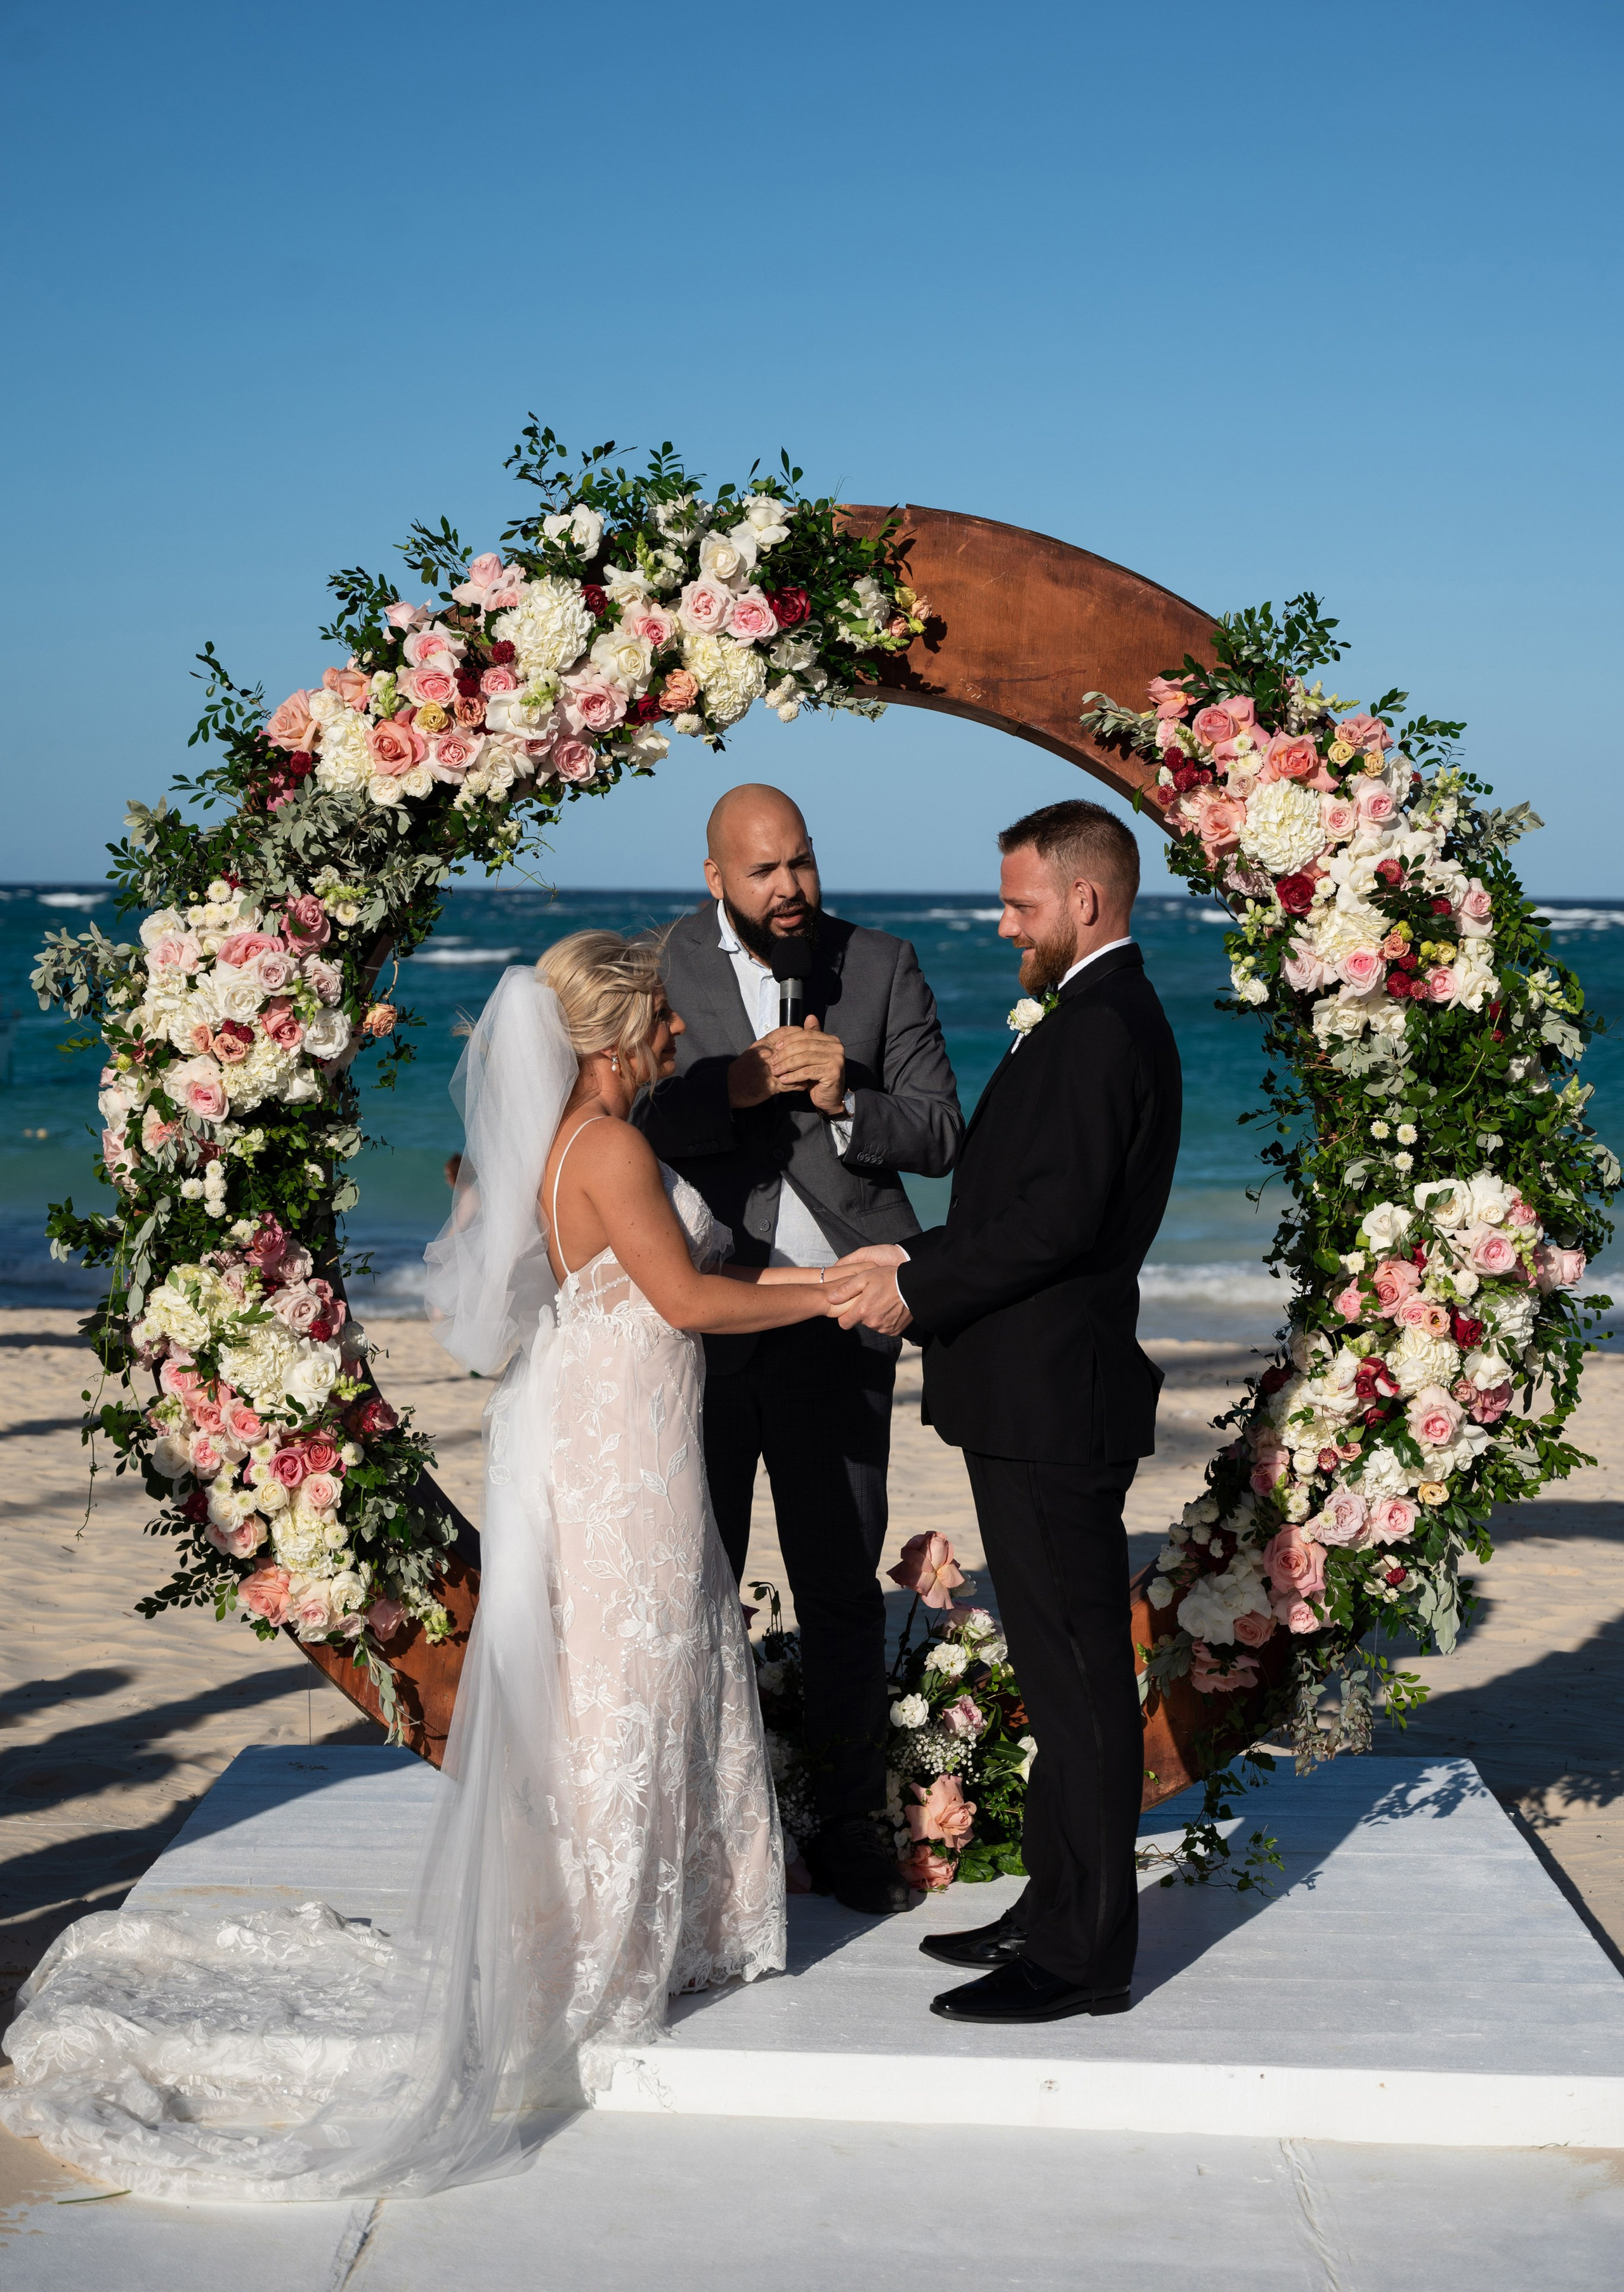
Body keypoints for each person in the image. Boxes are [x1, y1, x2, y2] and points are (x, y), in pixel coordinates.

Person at [0, 935, 839, 2199]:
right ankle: (604, 1959)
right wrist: (837, 1289)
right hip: (620, 1437)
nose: (679, 1037)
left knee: (623, 1669)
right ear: (619, 1034)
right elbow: (686, 1303)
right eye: (663, 1020)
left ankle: (627, 1931)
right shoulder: (606, 1146)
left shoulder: (571, 1140)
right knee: (624, 1675)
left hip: (606, 1420)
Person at [826, 799, 1182, 2024]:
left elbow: (1054, 1227)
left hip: (1054, 1403)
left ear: (1086, 900)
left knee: (1080, 1683)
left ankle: (1089, 1959)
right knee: (1048, 1660)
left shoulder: (1102, 1030)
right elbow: (1011, 1204)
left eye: (1020, 902)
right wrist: (909, 1264)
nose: (1002, 922)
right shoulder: (1082, 1018)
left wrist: (911, 1284)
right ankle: (1052, 1897)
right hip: (1026, 1395)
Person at [635, 785, 963, 1914]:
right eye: (764, 871)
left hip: (840, 1312)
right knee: (701, 1576)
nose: (789, 890)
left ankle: (854, 1828)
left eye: (803, 866)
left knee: (836, 1583)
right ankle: (708, 1831)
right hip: (710, 1310)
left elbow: (940, 1129)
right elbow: (619, 1126)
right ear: (715, 875)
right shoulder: (661, 965)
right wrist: (731, 1087)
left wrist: (846, 1097)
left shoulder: (880, 964)